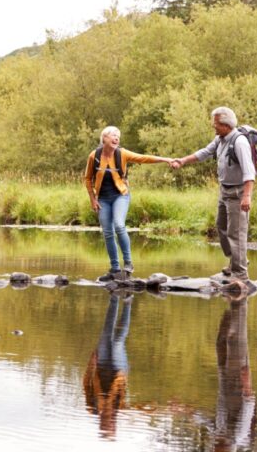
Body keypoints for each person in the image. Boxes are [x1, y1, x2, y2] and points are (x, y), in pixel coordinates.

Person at [171, 107, 256, 286]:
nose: (213, 126)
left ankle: (240, 274)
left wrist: (247, 197)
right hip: (224, 191)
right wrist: (183, 160)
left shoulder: (239, 142)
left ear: (226, 125)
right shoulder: (220, 139)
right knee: (221, 227)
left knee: (236, 232)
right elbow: (204, 152)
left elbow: (249, 172)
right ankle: (234, 262)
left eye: (216, 123)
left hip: (238, 193)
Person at [83, 126, 174, 281]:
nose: (117, 138)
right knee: (107, 232)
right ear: (104, 138)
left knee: (119, 225)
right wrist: (93, 199)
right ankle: (115, 268)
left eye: (118, 136)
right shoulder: (94, 156)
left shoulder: (122, 153)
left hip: (121, 196)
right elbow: (87, 178)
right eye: (113, 135)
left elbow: (143, 158)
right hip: (103, 199)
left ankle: (128, 263)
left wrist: (166, 159)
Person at [82, 291, 132, 439]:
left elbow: (86, 384)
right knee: (118, 341)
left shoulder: (92, 408)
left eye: (105, 426)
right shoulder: (120, 407)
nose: (108, 423)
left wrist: (91, 363)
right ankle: (128, 303)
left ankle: (115, 297)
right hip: (118, 369)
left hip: (101, 366)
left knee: (106, 330)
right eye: (110, 426)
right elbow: (141, 406)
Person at [214, 289, 257, 450]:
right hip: (236, 381)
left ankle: (231, 302)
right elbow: (247, 409)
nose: (212, 449)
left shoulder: (220, 432)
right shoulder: (237, 435)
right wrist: (247, 385)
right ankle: (239, 299)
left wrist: (186, 411)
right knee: (234, 338)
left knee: (220, 341)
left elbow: (207, 421)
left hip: (224, 377)